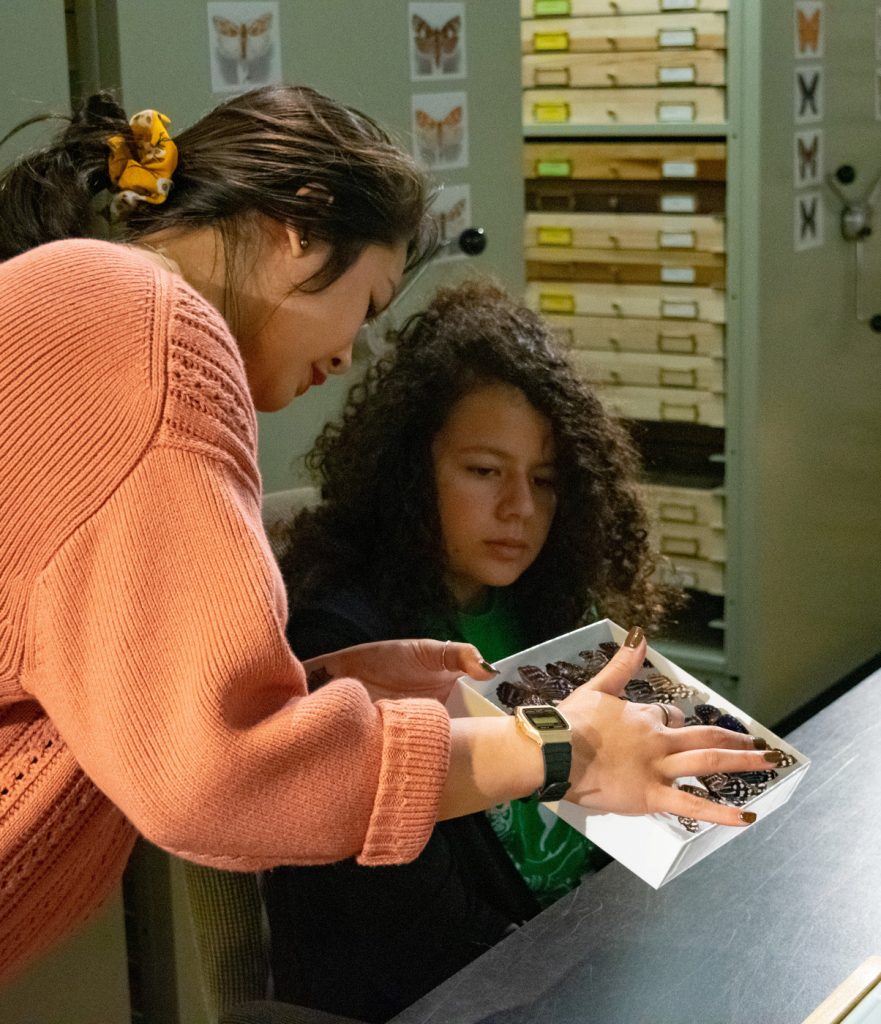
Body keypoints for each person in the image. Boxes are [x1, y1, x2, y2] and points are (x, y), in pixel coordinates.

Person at [0, 85, 771, 989]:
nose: (349, 355)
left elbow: (122, 690)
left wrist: (324, 686)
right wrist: (560, 749)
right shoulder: (141, 321)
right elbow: (214, 780)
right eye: (364, 305)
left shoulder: (89, 308)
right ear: (300, 226)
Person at [251, 279, 686, 1021]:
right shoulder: (344, 646)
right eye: (483, 472)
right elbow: (420, 952)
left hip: (587, 960)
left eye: (544, 481)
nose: (518, 508)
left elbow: (683, 820)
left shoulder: (552, 606)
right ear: (408, 471)